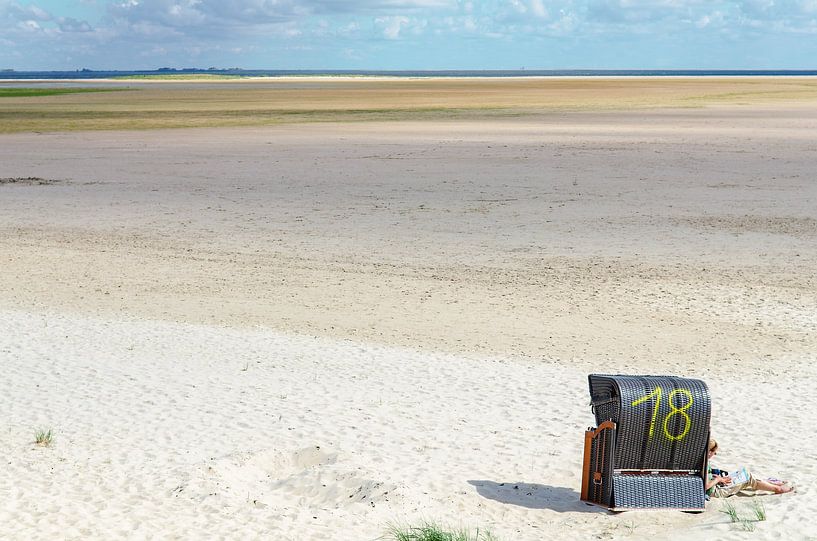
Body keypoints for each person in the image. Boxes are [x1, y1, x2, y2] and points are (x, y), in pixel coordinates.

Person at [706, 438, 793, 498]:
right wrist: (717, 480)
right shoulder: (704, 464)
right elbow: (705, 486)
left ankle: (768, 483)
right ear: (709, 452)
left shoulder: (700, 461)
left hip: (715, 488)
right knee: (748, 477)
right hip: (716, 492)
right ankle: (777, 489)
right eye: (714, 453)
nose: (714, 455)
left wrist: (718, 478)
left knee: (742, 475)